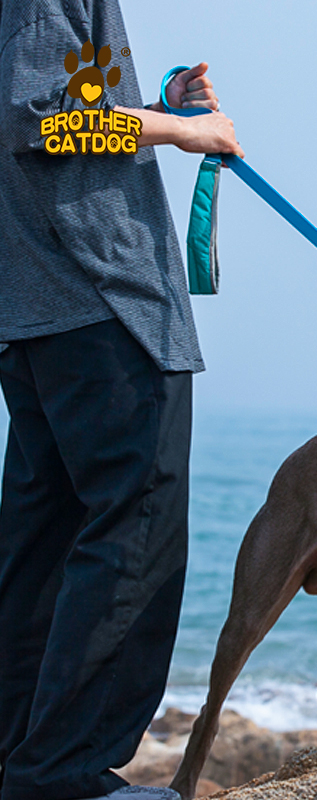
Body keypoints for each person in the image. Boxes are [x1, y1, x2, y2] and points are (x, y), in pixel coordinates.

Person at [0, 1, 244, 798]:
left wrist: (157, 102)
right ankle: (64, 777)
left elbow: (63, 99)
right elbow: (44, 122)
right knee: (134, 527)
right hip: (101, 296)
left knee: (45, 541)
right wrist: (184, 134)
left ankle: (21, 766)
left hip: (35, 304)